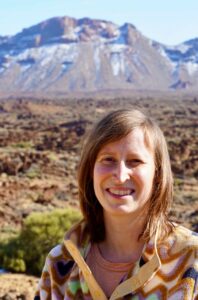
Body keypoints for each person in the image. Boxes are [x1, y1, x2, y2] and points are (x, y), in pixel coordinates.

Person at [35, 109, 198, 300]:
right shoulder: (60, 264)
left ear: (158, 175)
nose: (120, 176)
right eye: (108, 160)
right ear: (90, 171)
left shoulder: (191, 261)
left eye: (135, 161)